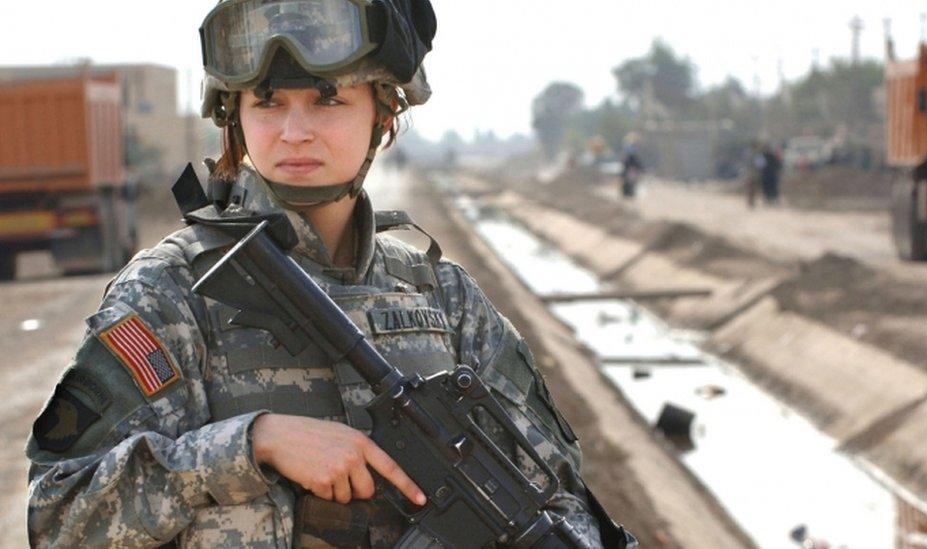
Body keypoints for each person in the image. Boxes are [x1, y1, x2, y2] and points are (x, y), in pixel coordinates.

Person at [25, 1, 634, 547]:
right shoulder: (171, 293)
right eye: (268, 101)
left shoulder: (444, 298)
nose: (295, 131)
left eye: (328, 98)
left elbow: (560, 493)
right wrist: (252, 444)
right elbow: (58, 515)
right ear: (234, 114)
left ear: (382, 114)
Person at [620, 132, 643, 199]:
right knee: (628, 180)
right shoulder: (630, 147)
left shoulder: (630, 147)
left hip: (631, 166)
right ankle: (628, 192)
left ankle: (629, 192)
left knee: (631, 180)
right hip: (630, 165)